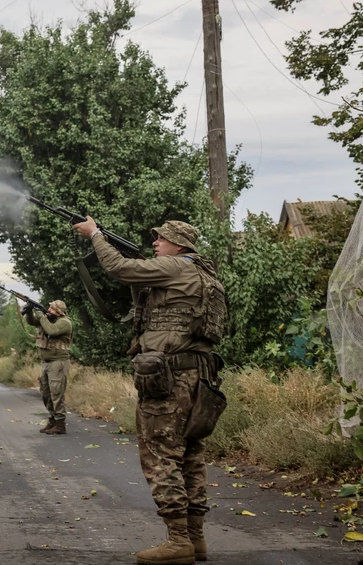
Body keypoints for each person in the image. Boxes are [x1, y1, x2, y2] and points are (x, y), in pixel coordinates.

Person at [74, 218, 225, 565]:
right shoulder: (204, 273)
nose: (155, 243)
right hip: (199, 377)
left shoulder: (175, 266)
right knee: (189, 455)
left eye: (161, 238)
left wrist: (95, 235)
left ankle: (178, 542)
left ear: (179, 245)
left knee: (161, 456)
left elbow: (119, 268)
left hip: (171, 380)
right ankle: (196, 539)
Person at [23, 299, 73, 435]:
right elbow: (33, 322)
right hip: (45, 362)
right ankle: (52, 419)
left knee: (56, 393)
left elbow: (52, 330)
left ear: (58, 312)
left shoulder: (65, 323)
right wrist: (29, 312)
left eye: (51, 309)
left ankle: (60, 423)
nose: (49, 310)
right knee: (46, 393)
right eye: (49, 308)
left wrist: (41, 315)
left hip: (58, 362)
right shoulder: (48, 320)